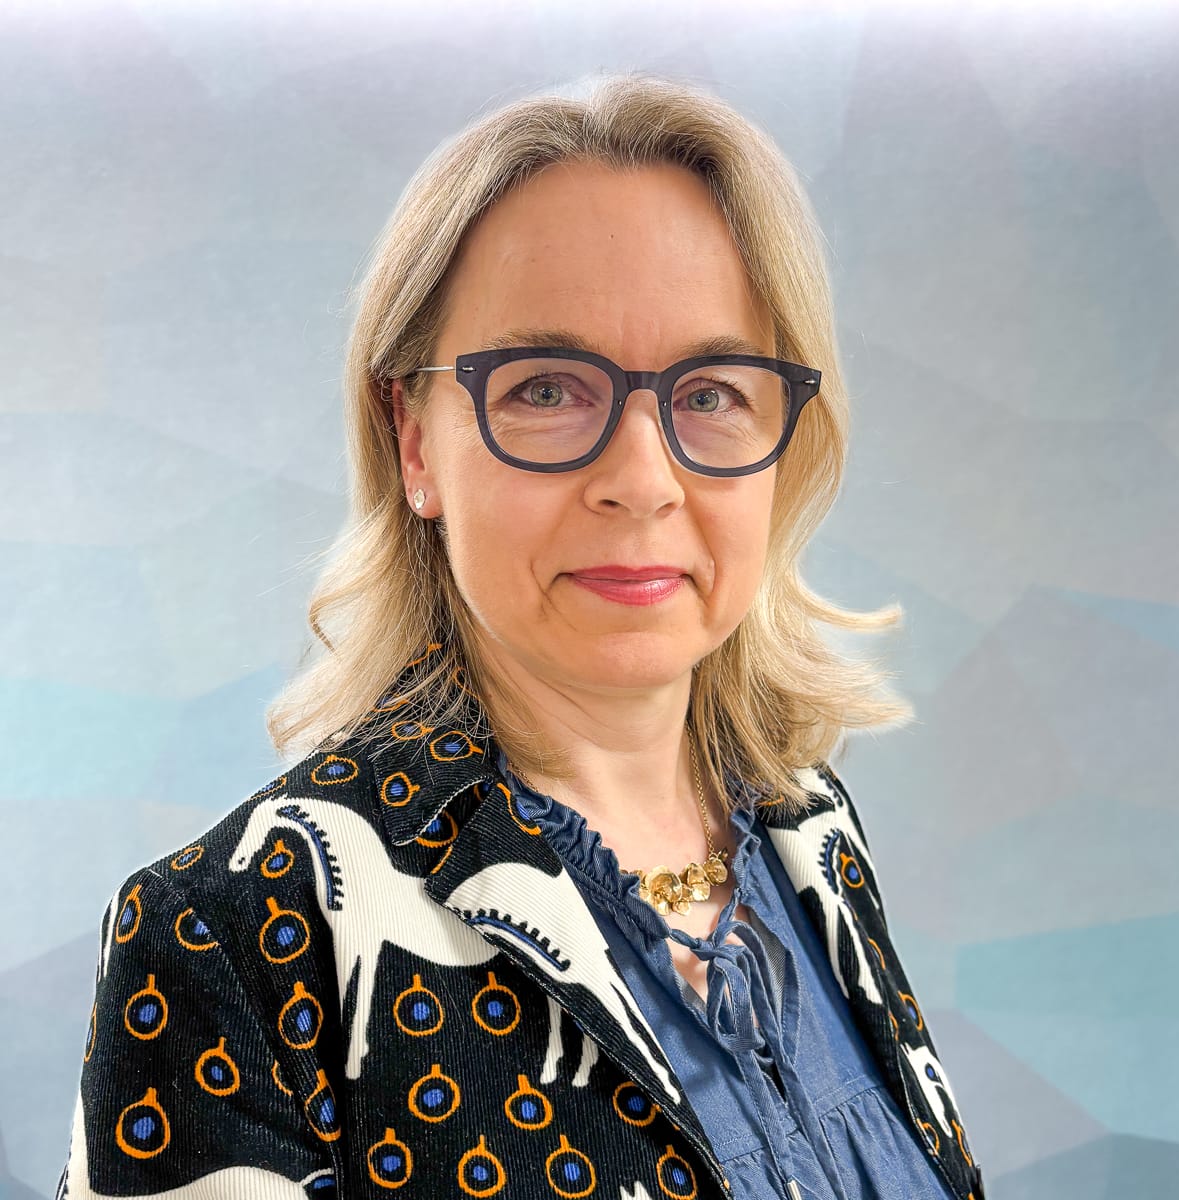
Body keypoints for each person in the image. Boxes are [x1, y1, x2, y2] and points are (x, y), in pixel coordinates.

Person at [58, 73, 985, 1200]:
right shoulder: (232, 937)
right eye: (547, 389)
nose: (643, 480)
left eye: (711, 392)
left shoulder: (811, 831)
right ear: (414, 440)